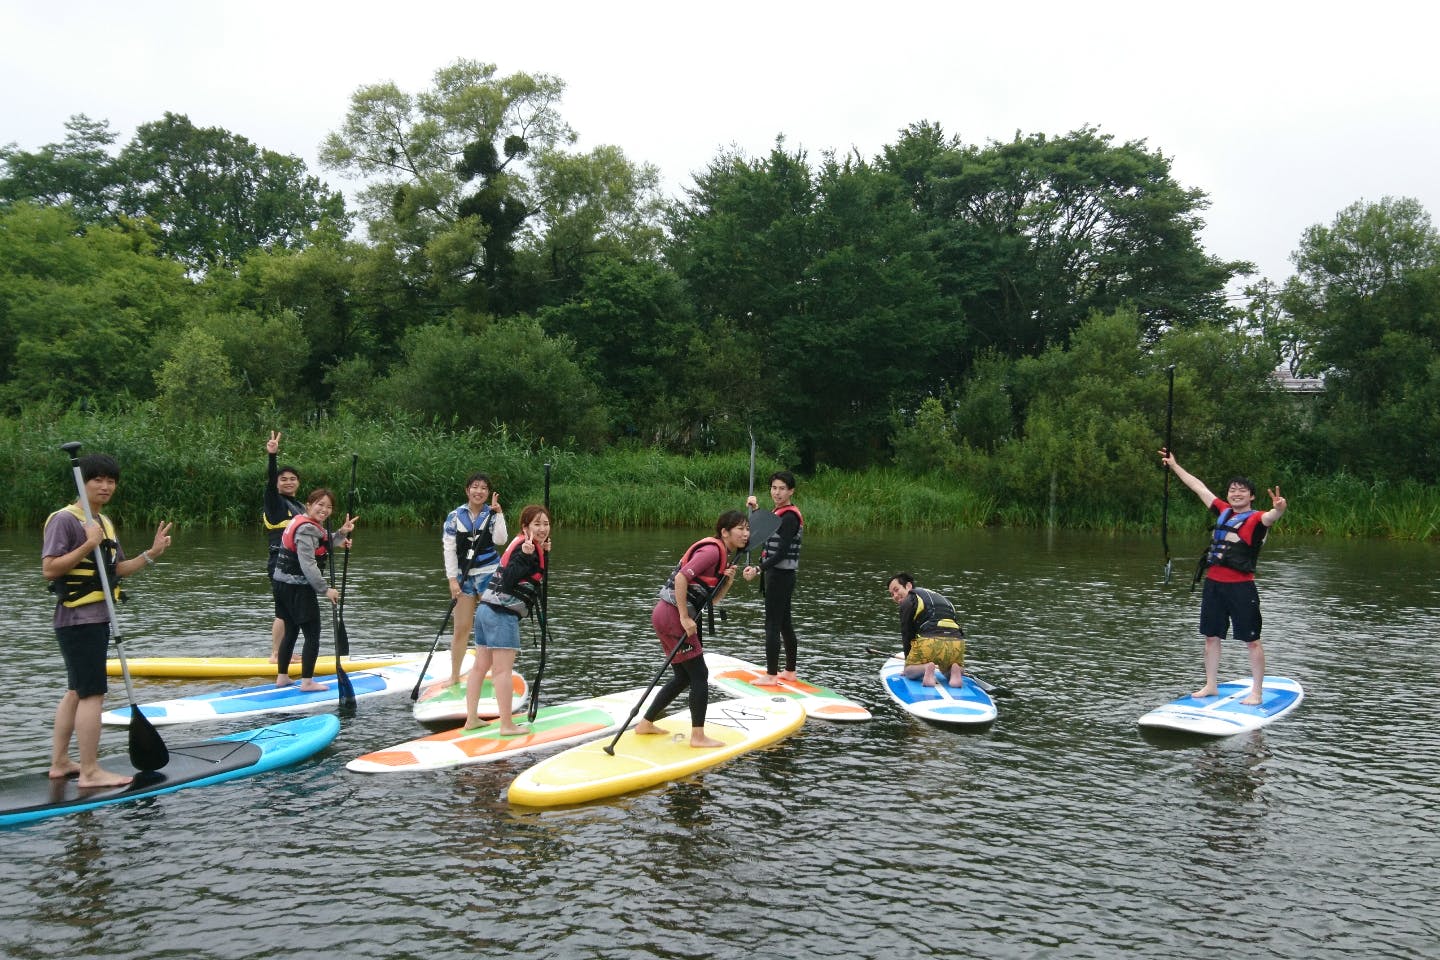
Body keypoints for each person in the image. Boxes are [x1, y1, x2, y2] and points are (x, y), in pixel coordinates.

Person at [42, 452, 173, 788]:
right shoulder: (65, 520)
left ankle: (60, 762)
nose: (105, 486)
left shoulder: (106, 523)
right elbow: (50, 568)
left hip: (97, 618)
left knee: (75, 691)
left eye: (111, 480)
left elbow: (116, 571)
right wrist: (88, 543)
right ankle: (89, 771)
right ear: (82, 483)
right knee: (92, 694)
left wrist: (151, 554)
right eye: (97, 479)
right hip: (78, 620)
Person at [1160, 449, 1288, 705]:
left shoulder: (1258, 518)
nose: (1236, 493)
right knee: (1211, 637)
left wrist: (1280, 508)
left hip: (1241, 588)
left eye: (1242, 490)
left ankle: (1257, 692)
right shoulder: (1223, 510)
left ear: (1251, 496)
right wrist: (1174, 465)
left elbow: (1272, 516)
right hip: (1214, 586)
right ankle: (1210, 685)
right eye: (1232, 490)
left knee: (1251, 640)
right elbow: (1198, 487)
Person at [634, 511, 756, 748]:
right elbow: (681, 578)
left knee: (683, 676)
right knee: (700, 675)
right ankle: (698, 737)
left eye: (748, 529)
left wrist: (728, 581)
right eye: (740, 529)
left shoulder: (722, 557)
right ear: (725, 532)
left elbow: (712, 601)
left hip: (666, 615)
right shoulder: (712, 551)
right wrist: (683, 617)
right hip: (672, 616)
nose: (746, 533)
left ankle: (646, 723)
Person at [464, 503, 549, 734]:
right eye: (537, 524)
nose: (542, 529)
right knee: (502, 671)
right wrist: (528, 556)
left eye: (546, 524)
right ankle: (507, 725)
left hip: (485, 611)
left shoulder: (523, 543)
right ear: (525, 527)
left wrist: (542, 551)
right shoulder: (526, 550)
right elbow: (510, 579)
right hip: (501, 614)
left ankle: (471, 718)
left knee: (480, 667)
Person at [271, 488, 356, 691]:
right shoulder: (307, 529)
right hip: (298, 588)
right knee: (312, 634)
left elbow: (323, 542)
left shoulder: (302, 522)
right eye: (320, 504)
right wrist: (325, 590)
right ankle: (307, 682)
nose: (324, 509)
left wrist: (341, 534)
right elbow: (308, 564)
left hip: (282, 585)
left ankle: (282, 677)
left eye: (329, 507)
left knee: (290, 631)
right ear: (309, 505)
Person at [442, 473, 507, 687]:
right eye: (475, 487)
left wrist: (499, 514)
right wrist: (452, 580)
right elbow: (449, 549)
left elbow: (500, 540)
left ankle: (498, 672)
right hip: (463, 577)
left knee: (492, 625)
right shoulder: (454, 517)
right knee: (461, 627)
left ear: (488, 493)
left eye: (484, 488)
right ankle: (454, 675)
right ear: (467, 490)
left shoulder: (492, 513)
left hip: (489, 574)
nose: (479, 491)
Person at [746, 470, 803, 685]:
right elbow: (764, 529)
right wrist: (756, 509)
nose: (777, 493)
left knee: (772, 624)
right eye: (774, 488)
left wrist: (758, 569)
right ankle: (789, 672)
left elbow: (781, 553)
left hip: (780, 576)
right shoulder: (780, 512)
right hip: (779, 576)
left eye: (782, 489)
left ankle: (771, 675)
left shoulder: (789, 517)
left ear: (791, 491)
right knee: (784, 623)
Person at [263, 431, 305, 662]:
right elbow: (270, 481)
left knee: (292, 610)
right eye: (283, 479)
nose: (288, 482)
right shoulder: (275, 501)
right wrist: (272, 456)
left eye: (292, 478)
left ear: (298, 482)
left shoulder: (298, 505)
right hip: (279, 562)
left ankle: (284, 651)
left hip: (296, 563)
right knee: (284, 610)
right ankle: (276, 654)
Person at [886, 573, 966, 687]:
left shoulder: (910, 599)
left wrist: (908, 663)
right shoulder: (944, 599)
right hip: (957, 642)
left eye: (896, 590)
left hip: (930, 642)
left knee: (909, 671)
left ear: (908, 586)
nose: (894, 595)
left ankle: (926, 668)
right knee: (947, 668)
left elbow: (907, 634)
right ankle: (955, 672)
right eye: (891, 594)